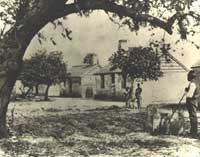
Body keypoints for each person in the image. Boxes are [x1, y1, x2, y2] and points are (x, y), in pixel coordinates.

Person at [185, 70, 199, 137]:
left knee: (193, 117)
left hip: (192, 102)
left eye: (188, 76)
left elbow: (190, 95)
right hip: (193, 102)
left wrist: (186, 92)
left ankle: (194, 133)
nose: (187, 77)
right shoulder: (193, 83)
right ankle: (193, 133)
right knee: (193, 117)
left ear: (191, 77)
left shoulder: (192, 84)